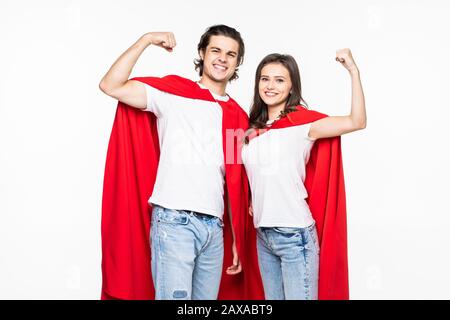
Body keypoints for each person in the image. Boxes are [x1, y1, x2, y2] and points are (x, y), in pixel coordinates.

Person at [99, 25, 264, 300]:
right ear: (202, 53)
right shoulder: (173, 94)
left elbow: (234, 181)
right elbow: (110, 85)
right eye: (216, 50)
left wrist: (235, 240)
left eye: (231, 54)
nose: (222, 58)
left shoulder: (236, 116)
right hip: (175, 223)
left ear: (237, 63)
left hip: (214, 231)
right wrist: (145, 40)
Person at [241, 50, 366, 300]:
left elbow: (356, 121)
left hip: (295, 235)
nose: (270, 86)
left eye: (279, 80)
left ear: (291, 87)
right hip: (263, 236)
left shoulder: (303, 125)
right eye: (264, 79)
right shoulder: (251, 130)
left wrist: (354, 71)